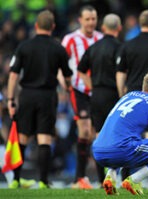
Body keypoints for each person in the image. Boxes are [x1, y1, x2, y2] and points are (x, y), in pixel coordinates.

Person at [7, 10, 72, 188]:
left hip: (27, 94)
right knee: (44, 138)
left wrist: (11, 99)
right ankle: (43, 181)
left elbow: (13, 76)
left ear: (36, 26)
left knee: (22, 138)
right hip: (48, 96)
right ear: (53, 26)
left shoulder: (24, 46)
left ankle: (15, 180)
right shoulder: (58, 48)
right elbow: (67, 78)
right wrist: (67, 86)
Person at [92, 71, 148, 195]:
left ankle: (111, 176)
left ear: (144, 88)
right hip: (121, 150)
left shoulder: (128, 95)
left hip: (98, 151)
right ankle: (135, 179)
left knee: (126, 139)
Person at [61, 5, 103, 189]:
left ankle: (104, 179)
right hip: (78, 90)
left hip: (99, 91)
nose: (91, 22)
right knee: (85, 131)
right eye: (87, 19)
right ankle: (79, 177)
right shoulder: (70, 39)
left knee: (99, 134)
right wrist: (64, 82)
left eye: (93, 19)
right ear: (80, 20)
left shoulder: (101, 38)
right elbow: (59, 63)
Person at [78, 13, 122, 142]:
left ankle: (99, 162)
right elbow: (121, 73)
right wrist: (122, 94)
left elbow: (81, 70)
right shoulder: (120, 48)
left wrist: (92, 87)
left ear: (103, 28)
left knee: (99, 134)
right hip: (113, 94)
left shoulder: (93, 48)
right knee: (115, 134)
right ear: (119, 28)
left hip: (96, 94)